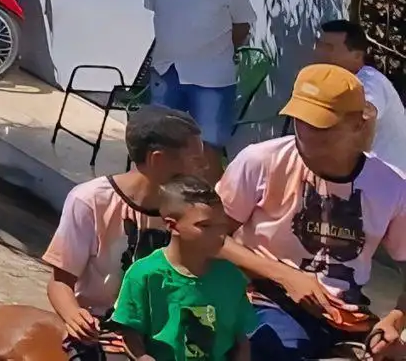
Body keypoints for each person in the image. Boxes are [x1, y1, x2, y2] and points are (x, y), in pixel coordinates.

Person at [213, 64, 406, 361]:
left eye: (322, 126)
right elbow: (208, 237)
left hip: (344, 312)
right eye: (300, 120)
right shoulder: (260, 161)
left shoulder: (391, 187)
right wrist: (284, 275)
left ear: (358, 123)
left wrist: (395, 320)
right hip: (263, 298)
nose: (306, 134)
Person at [49, 106, 220, 347]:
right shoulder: (90, 201)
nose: (204, 167)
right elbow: (60, 283)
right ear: (157, 159)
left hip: (169, 331)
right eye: (195, 160)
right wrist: (74, 316)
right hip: (106, 330)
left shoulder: (194, 208)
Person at [110, 177, 257, 361]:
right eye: (205, 226)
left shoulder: (231, 277)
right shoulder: (144, 275)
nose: (219, 235)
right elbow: (131, 334)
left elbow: (240, 339)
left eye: (222, 225)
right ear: (172, 225)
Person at [147, 0, 259, 151]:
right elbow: (164, 17)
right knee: (161, 146)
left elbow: (242, 24)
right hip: (166, 72)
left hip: (212, 79)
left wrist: (214, 52)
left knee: (207, 150)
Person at [313, 22, 406, 173]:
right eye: (319, 44)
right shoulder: (339, 84)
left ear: (357, 55)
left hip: (395, 180)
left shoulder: (369, 81)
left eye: (329, 48)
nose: (320, 52)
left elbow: (365, 111)